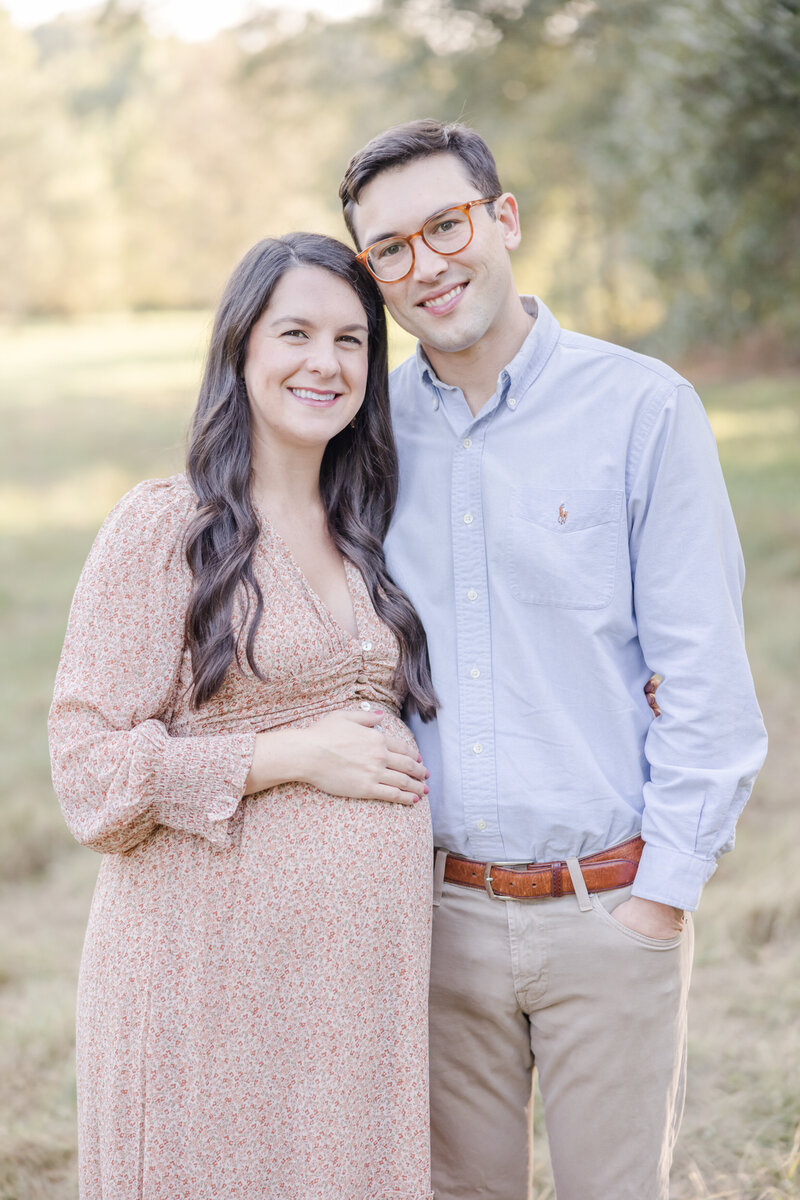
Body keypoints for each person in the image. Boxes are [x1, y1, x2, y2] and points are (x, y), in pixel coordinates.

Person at [338, 119, 768, 1200]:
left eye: (445, 225)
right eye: (390, 248)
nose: (426, 264)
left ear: (504, 219)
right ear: (372, 274)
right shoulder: (364, 437)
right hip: (430, 924)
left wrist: (658, 901)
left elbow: (706, 680)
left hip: (607, 912)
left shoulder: (641, 409)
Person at [48, 233, 438, 1200]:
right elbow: (88, 774)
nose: (327, 362)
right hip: (207, 991)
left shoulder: (367, 529)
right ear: (241, 349)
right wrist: (295, 753)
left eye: (352, 341)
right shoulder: (163, 527)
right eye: (296, 332)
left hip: (350, 1004)